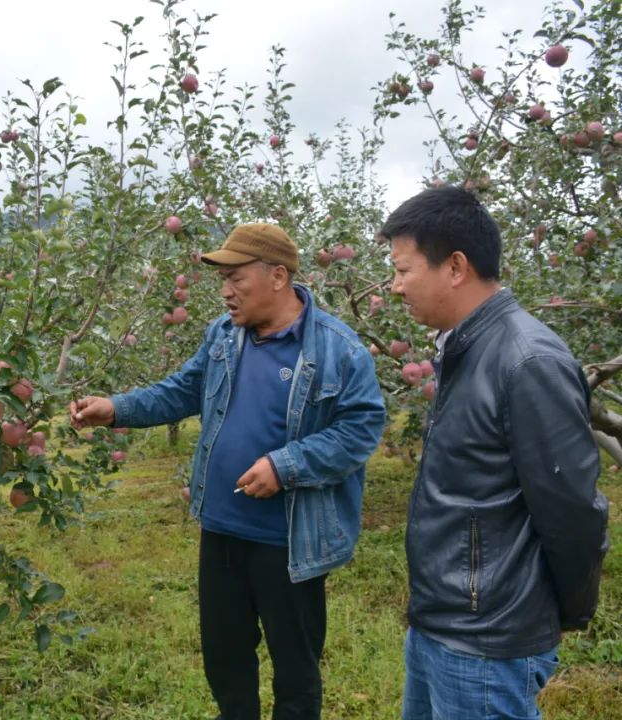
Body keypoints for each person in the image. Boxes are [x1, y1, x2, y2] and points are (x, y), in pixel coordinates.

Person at [70, 223, 386, 720]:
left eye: (236, 278)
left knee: (295, 670)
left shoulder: (337, 350)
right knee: (225, 660)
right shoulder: (223, 335)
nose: (225, 291)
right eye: (223, 279)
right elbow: (183, 390)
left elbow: (361, 430)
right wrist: (118, 407)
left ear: (278, 276)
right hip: (220, 530)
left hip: (289, 541)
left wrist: (286, 466)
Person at [380, 186, 609, 720]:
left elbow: (572, 511)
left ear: (455, 266)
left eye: (402, 270)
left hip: (486, 642)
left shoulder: (525, 362)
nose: (393, 288)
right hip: (442, 624)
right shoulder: (465, 349)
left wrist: (562, 612)